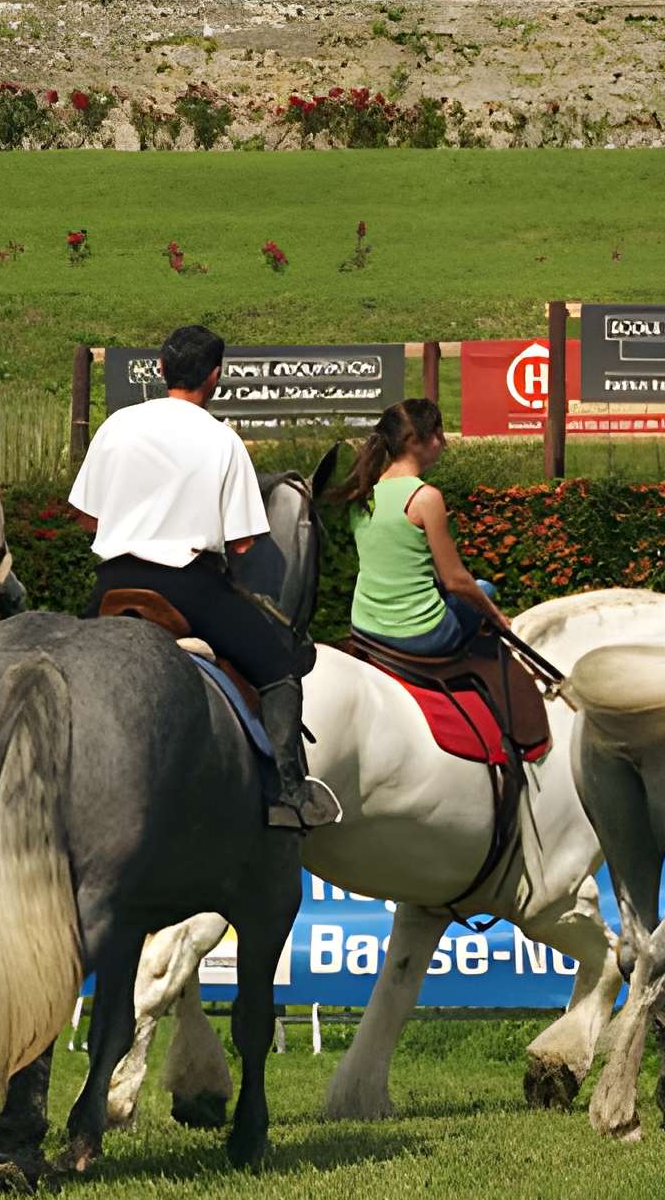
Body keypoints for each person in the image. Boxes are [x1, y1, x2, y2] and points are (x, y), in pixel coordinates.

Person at [68, 325, 316, 829]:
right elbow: (243, 543)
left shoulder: (117, 425)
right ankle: (287, 795)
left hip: (112, 583)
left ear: (160, 369)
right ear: (216, 377)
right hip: (188, 587)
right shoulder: (223, 440)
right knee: (280, 668)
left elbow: (86, 518)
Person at [341, 399, 495, 657]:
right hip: (421, 634)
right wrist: (499, 618)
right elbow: (455, 580)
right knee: (485, 589)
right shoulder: (425, 497)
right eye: (437, 434)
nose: (442, 443)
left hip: (364, 626)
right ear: (413, 441)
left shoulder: (361, 493)